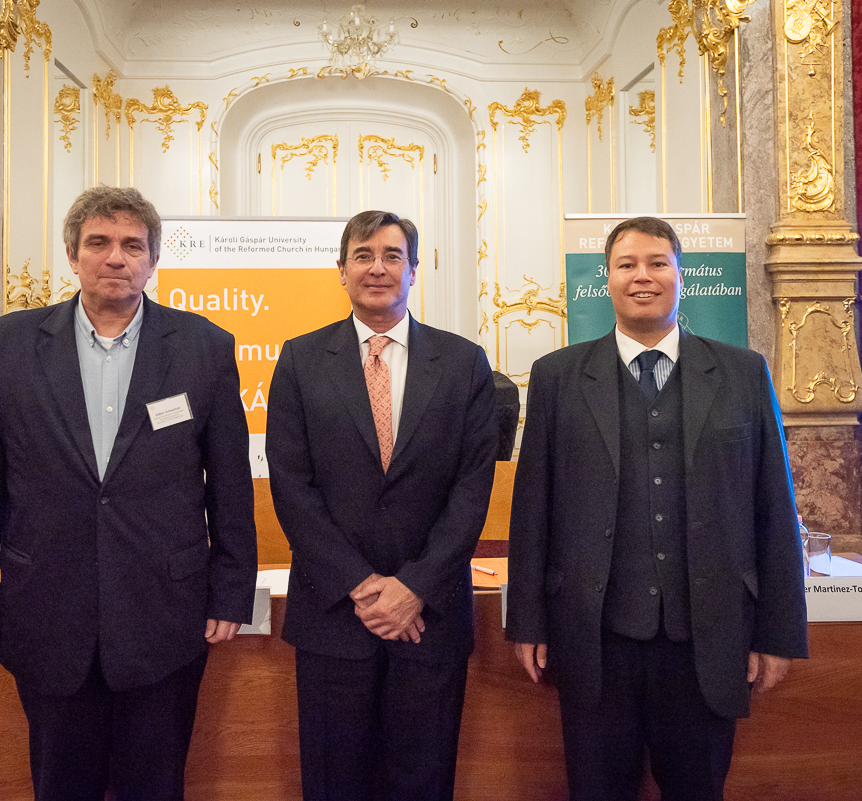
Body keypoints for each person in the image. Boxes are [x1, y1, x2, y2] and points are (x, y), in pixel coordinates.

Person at [0, 186, 257, 801]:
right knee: (62, 783)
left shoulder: (204, 346)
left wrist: (232, 591)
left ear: (153, 259)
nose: (116, 257)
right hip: (46, 610)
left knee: (156, 784)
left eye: (132, 245)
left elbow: (229, 484)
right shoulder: (5, 345)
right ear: (72, 254)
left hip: (164, 615)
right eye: (99, 243)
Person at [506, 216, 807, 801]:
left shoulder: (743, 372)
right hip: (595, 639)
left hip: (707, 639)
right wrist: (528, 622)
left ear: (680, 276)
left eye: (657, 263)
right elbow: (532, 511)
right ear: (607, 279)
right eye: (627, 265)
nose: (641, 276)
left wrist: (779, 633)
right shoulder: (557, 377)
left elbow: (773, 508)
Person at [265, 210, 497, 801]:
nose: (377, 268)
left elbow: (472, 490)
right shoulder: (299, 360)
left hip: (429, 619)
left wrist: (414, 587)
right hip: (333, 617)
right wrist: (364, 587)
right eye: (363, 255)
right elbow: (291, 487)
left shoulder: (464, 363)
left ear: (414, 270)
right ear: (341, 270)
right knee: (334, 783)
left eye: (393, 256)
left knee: (423, 782)